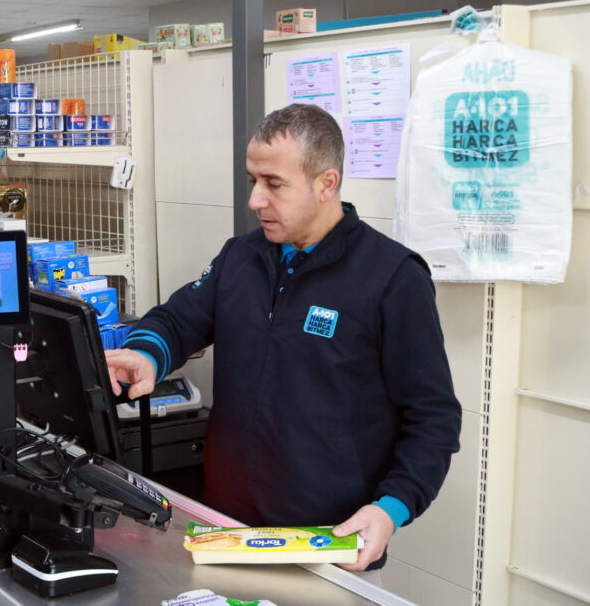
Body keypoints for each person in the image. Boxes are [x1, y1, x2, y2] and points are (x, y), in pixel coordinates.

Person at [105, 103, 462, 572]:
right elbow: (176, 319)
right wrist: (146, 355)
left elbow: (433, 417)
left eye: (274, 184)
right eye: (253, 180)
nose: (256, 199)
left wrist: (390, 509)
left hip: (327, 542)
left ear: (326, 184)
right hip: (228, 530)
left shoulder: (392, 277)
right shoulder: (242, 256)